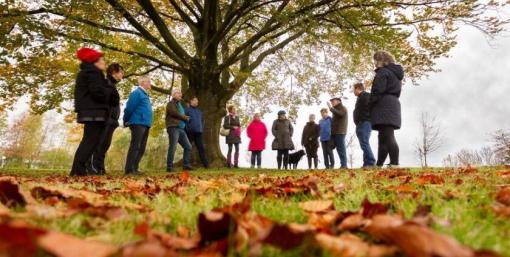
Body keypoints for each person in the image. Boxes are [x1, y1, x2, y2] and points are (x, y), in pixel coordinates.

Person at [70, 48, 113, 176]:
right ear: (95, 62)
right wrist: (108, 92)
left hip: (91, 111)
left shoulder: (87, 72)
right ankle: (78, 170)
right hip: (93, 111)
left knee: (91, 140)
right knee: (90, 140)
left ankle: (79, 169)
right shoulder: (93, 73)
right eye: (102, 60)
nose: (104, 62)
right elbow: (97, 92)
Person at [87, 63, 124, 175]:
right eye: (121, 72)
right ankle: (91, 167)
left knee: (105, 145)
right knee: (98, 144)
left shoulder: (112, 85)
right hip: (106, 119)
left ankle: (100, 167)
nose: (122, 74)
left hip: (112, 121)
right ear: (114, 72)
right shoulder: (106, 83)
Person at [370, 50, 404, 167]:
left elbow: (377, 91)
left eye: (376, 60)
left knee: (388, 135)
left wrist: (370, 103)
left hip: (384, 104)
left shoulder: (383, 72)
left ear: (382, 61)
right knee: (383, 136)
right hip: (392, 103)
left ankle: (394, 163)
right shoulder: (395, 74)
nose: (374, 63)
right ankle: (379, 164)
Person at [123, 76, 153, 175]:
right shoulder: (137, 93)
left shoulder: (145, 94)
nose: (150, 83)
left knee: (141, 147)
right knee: (135, 146)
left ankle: (135, 168)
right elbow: (129, 108)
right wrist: (126, 120)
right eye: (148, 81)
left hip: (145, 123)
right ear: (142, 82)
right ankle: (129, 169)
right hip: (137, 123)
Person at [165, 89, 193, 172]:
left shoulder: (179, 105)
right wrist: (185, 117)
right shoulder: (171, 104)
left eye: (181, 93)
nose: (181, 94)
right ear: (173, 95)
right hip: (173, 127)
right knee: (173, 146)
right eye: (178, 93)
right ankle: (169, 167)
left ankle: (186, 165)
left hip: (181, 128)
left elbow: (181, 115)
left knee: (188, 146)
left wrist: (186, 118)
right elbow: (174, 113)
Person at [353, 82, 376, 168]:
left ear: (357, 88)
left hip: (365, 122)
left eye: (353, 89)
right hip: (360, 123)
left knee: (364, 142)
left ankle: (371, 162)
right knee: (363, 143)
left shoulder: (366, 96)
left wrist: (365, 118)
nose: (353, 92)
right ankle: (366, 163)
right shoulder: (360, 97)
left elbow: (369, 108)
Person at [185, 96, 209, 168]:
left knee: (201, 148)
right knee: (188, 147)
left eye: (197, 101)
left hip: (198, 132)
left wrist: (201, 128)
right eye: (195, 100)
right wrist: (187, 129)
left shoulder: (199, 112)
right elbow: (184, 120)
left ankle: (206, 165)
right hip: (190, 132)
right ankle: (186, 164)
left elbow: (202, 121)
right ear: (191, 101)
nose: (197, 102)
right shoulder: (187, 110)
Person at [327, 97, 348, 169]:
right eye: (331, 101)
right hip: (334, 133)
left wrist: (331, 108)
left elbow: (341, 114)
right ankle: (337, 164)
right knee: (331, 147)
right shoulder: (335, 110)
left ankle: (344, 165)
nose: (332, 102)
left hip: (340, 132)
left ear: (338, 101)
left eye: (333, 101)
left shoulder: (342, 108)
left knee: (341, 149)